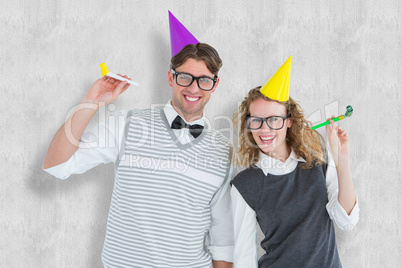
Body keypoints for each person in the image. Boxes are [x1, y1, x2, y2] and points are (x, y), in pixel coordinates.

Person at [43, 11, 234, 268]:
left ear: (215, 84)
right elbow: (57, 165)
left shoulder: (223, 151)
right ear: (171, 77)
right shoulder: (127, 124)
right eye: (185, 77)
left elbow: (222, 234)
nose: (194, 88)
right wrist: (92, 102)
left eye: (204, 80)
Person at [231, 57, 359, 267]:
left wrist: (341, 159)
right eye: (256, 120)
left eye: (274, 119)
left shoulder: (318, 166)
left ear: (289, 122)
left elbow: (347, 221)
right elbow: (243, 256)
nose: (264, 129)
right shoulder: (244, 185)